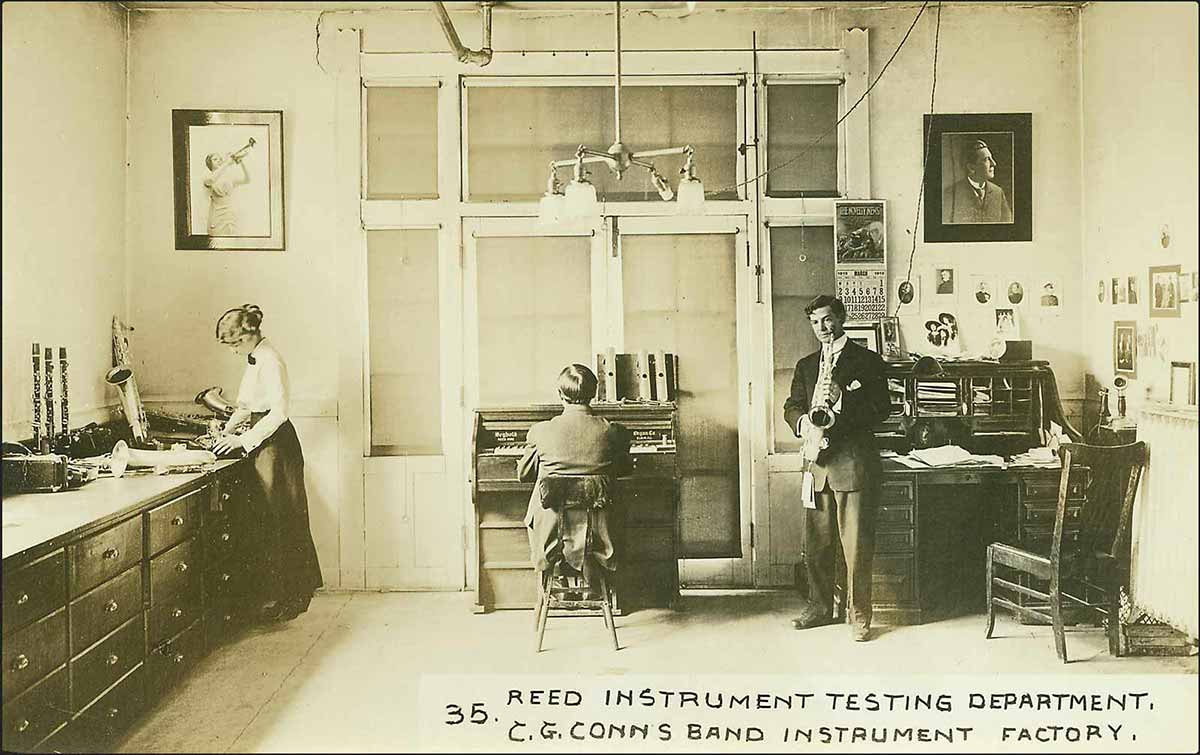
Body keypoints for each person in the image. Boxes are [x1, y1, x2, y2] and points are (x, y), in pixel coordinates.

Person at [783, 295, 891, 642]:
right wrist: (802, 422)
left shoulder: (868, 361)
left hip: (852, 464)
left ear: (841, 318)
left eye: (828, 320)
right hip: (817, 465)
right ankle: (818, 607)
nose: (822, 328)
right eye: (815, 323)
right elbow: (792, 405)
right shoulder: (805, 365)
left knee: (856, 547)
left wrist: (842, 397)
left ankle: (859, 615)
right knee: (816, 544)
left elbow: (881, 409)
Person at [211, 305, 322, 622]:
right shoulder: (256, 358)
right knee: (270, 519)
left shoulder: (271, 360)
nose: (233, 351)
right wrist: (227, 430)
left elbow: (279, 412)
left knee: (283, 517)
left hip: (277, 445)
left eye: (234, 344)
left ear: (247, 335)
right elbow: (246, 406)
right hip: (263, 442)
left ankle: (294, 597)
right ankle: (279, 595)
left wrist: (242, 441)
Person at [519, 364, 632, 597]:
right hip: (600, 534)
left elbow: (524, 475)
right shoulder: (612, 431)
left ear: (560, 395)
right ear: (594, 393)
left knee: (540, 503)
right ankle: (594, 585)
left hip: (552, 534)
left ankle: (557, 583)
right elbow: (624, 469)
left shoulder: (540, 431)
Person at [942, 139, 1014, 224]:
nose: (993, 163)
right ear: (971, 167)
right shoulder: (951, 194)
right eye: (986, 159)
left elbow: (1008, 225)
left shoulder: (998, 192)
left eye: (991, 158)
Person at [204, 148, 251, 236]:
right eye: (215, 159)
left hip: (230, 216)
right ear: (210, 164)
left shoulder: (227, 179)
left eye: (220, 159)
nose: (218, 160)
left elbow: (247, 180)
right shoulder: (208, 178)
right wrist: (226, 163)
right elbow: (211, 180)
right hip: (217, 217)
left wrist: (241, 163)